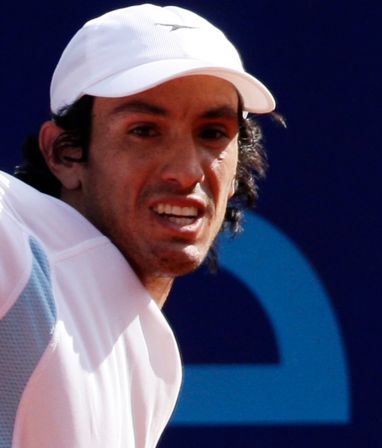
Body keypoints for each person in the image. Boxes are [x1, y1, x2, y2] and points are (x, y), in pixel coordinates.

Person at [0, 4, 276, 447]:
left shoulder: (141, 352)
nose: (187, 171)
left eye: (212, 133)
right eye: (144, 130)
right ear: (65, 153)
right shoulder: (16, 243)